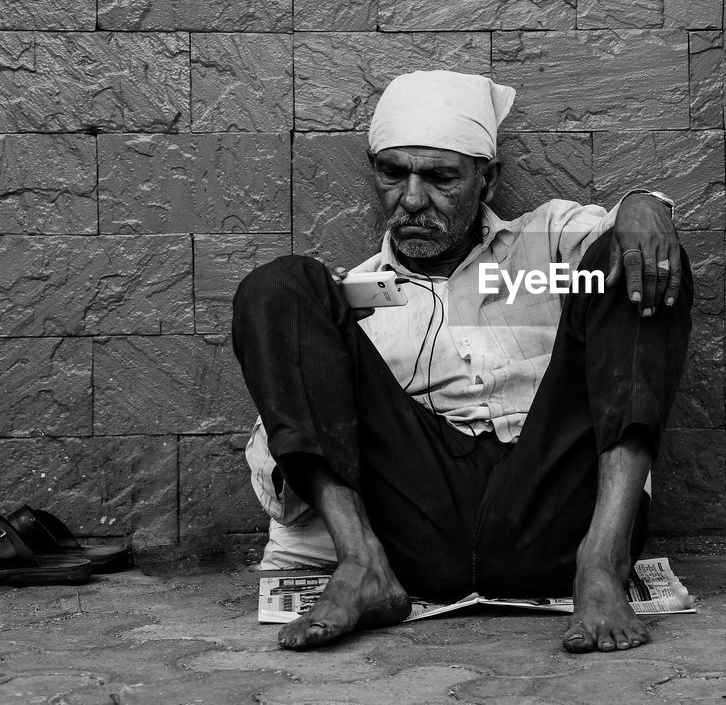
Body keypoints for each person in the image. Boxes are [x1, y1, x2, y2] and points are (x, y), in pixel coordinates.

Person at [232, 70, 692, 655]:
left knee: (636, 260)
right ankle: (362, 564)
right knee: (280, 284)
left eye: (441, 177)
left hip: (554, 505)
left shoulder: (545, 245)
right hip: (422, 523)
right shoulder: (352, 298)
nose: (414, 199)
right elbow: (283, 494)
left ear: (487, 178)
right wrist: (322, 396)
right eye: (393, 174)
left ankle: (601, 563)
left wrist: (646, 206)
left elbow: (628, 245)